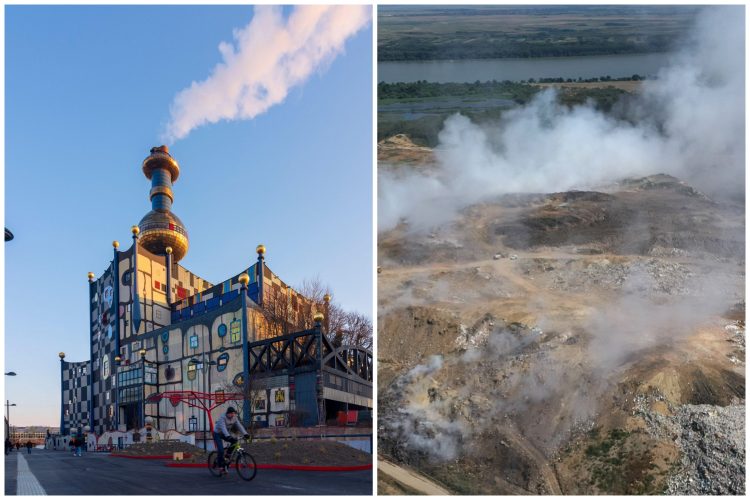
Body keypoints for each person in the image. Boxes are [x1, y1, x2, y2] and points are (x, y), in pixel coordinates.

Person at [212, 407, 250, 472]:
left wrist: (245, 434)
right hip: (217, 433)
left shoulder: (234, 417)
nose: (232, 415)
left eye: (233, 413)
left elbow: (239, 426)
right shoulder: (222, 418)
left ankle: (227, 455)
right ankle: (219, 464)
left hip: (226, 433)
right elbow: (223, 428)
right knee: (221, 450)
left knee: (235, 441)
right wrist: (228, 436)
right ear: (227, 413)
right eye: (231, 413)